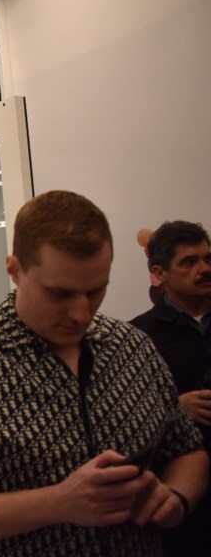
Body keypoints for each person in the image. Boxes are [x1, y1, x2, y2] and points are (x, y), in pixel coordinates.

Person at [0, 190, 209, 557]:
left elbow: (188, 451)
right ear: (15, 270)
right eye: (59, 294)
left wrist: (174, 498)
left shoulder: (132, 347)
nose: (80, 313)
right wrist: (58, 503)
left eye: (95, 291)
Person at [130, 220, 211, 556]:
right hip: (180, 500)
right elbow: (124, 417)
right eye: (189, 262)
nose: (204, 269)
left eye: (208, 258)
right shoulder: (137, 338)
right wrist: (175, 409)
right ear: (160, 273)